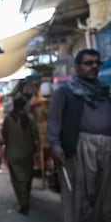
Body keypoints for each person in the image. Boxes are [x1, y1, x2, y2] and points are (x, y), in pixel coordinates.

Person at [47, 48, 111, 222]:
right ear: (77, 67)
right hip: (79, 147)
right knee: (79, 195)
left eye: (97, 63)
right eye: (88, 63)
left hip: (106, 147)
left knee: (105, 196)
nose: (94, 67)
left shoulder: (105, 92)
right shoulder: (66, 92)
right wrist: (56, 147)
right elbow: (54, 122)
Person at [1, 98, 39, 215]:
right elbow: (36, 136)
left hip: (14, 154)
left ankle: (23, 203)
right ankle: (25, 199)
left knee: (18, 180)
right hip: (28, 153)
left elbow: (4, 135)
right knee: (27, 177)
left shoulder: (8, 119)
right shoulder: (30, 118)